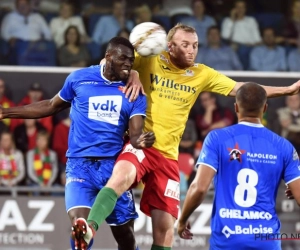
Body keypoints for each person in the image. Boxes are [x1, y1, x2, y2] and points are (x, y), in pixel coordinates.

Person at [73, 23, 300, 250]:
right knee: (121, 177)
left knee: (164, 232)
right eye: (185, 45)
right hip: (143, 144)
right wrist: (132, 72)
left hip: (169, 156)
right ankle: (88, 230)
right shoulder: (149, 58)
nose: (192, 50)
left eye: (195, 45)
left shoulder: (201, 73)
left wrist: (287, 90)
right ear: (170, 46)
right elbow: (110, 64)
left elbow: (242, 88)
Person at [0, 36, 155, 250]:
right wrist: (6, 112)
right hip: (79, 166)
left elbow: (136, 136)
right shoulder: (79, 79)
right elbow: (51, 106)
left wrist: (143, 140)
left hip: (113, 170)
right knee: (79, 229)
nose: (129, 64)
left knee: (126, 240)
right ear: (108, 56)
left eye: (131, 60)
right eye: (124, 59)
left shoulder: (134, 92)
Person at [177, 82, 300, 249]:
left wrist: (183, 220)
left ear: (236, 107)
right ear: (265, 108)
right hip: (266, 240)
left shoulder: (217, 138)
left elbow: (199, 188)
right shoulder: (284, 146)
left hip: (227, 239)